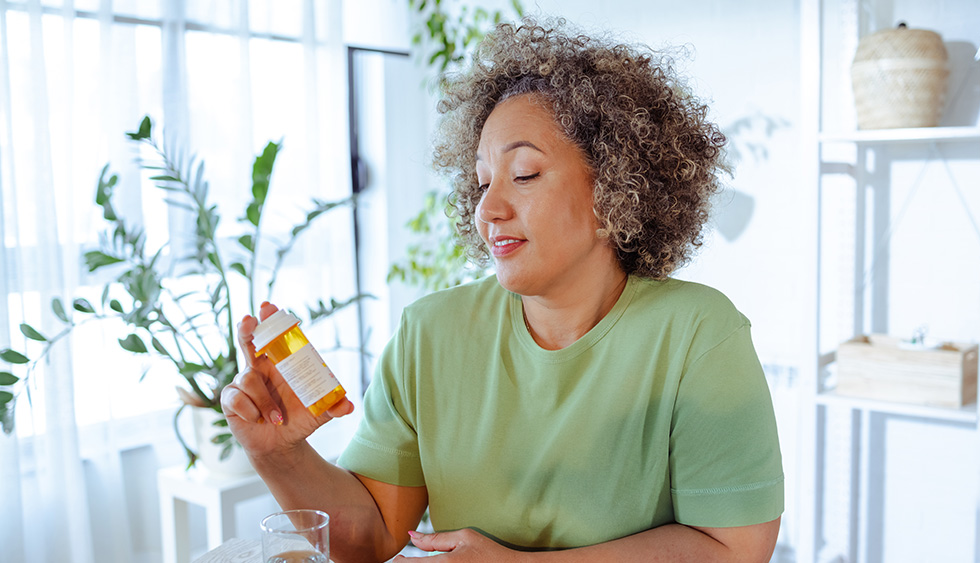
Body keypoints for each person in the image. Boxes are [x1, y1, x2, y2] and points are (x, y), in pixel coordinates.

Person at [222, 17, 783, 562]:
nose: (487, 209)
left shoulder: (697, 334)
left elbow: (735, 548)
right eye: (483, 181)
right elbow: (369, 540)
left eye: (524, 174)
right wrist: (279, 454)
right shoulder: (430, 334)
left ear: (614, 192)